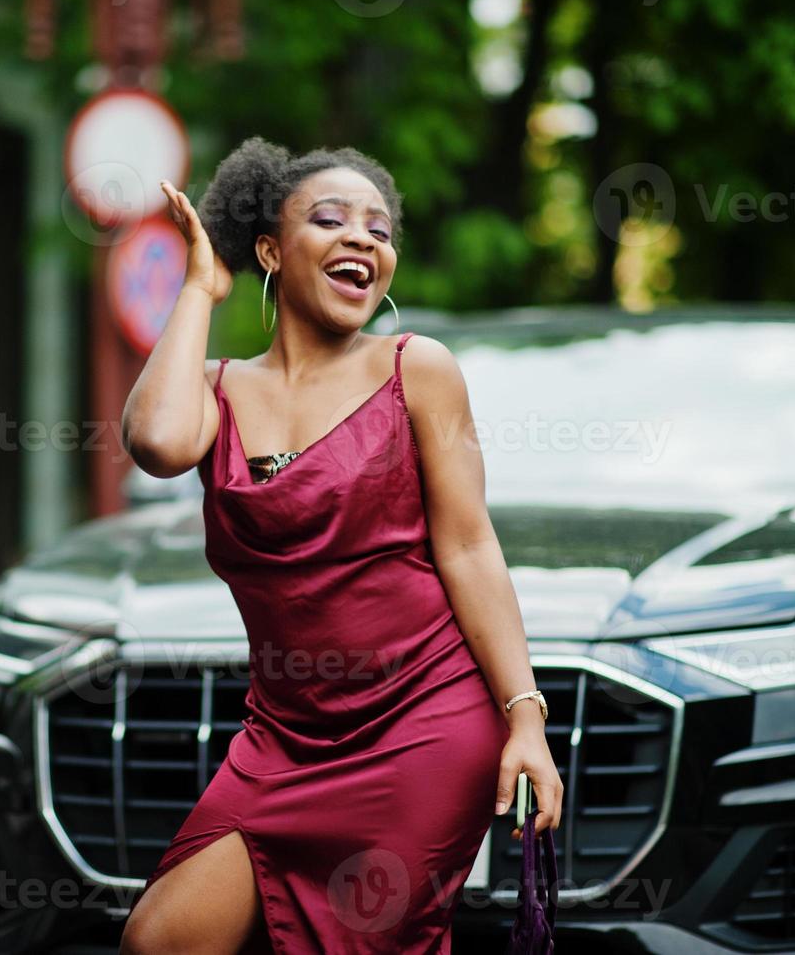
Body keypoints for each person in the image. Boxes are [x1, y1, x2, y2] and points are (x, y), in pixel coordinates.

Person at [118, 136, 563, 954]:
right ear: (269, 252)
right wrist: (197, 288)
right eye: (330, 220)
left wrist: (524, 719)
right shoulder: (216, 392)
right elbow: (156, 441)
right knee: (161, 939)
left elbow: (468, 548)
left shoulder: (416, 370)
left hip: (425, 723)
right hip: (282, 738)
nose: (364, 238)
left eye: (380, 230)